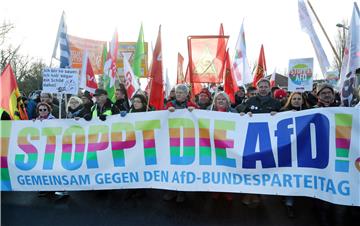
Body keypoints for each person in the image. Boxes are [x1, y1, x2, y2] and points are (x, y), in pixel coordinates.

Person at [236, 78, 281, 206]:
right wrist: (245, 113)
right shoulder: (249, 101)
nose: (263, 88)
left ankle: (259, 193)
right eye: (260, 86)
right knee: (250, 166)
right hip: (250, 139)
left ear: (269, 87)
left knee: (263, 167)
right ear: (257, 88)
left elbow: (284, 116)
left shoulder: (276, 103)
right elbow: (239, 112)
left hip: (268, 140)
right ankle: (248, 193)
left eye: (265, 86)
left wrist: (279, 114)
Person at [164, 84, 198, 203]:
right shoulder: (170, 104)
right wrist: (168, 111)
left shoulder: (192, 105)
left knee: (183, 165)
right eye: (177, 92)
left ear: (186, 94)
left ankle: (181, 192)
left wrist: (194, 111)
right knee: (172, 165)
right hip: (172, 139)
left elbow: (200, 116)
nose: (178, 94)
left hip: (187, 139)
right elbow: (161, 116)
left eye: (181, 92)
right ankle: (171, 190)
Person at [34, 102, 69, 199]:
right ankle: (45, 188)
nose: (42, 111)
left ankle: (62, 189)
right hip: (42, 149)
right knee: (44, 168)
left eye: (45, 109)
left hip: (53, 148)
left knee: (56, 168)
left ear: (49, 110)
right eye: (40, 110)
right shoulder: (36, 121)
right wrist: (34, 123)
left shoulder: (54, 120)